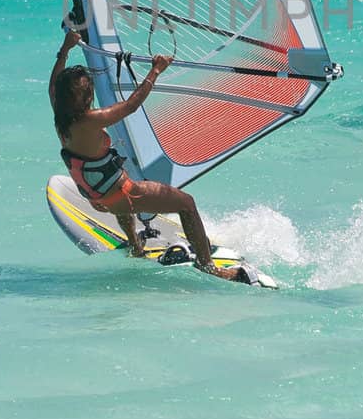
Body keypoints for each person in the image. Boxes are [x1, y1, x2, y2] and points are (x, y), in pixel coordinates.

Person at [49, 29, 239, 280]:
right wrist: (156, 71)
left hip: (96, 196)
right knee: (186, 203)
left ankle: (136, 247)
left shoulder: (59, 112)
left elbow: (54, 82)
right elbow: (130, 106)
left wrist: (66, 47)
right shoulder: (89, 120)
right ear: (84, 98)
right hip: (121, 195)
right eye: (87, 90)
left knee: (118, 182)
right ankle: (209, 267)